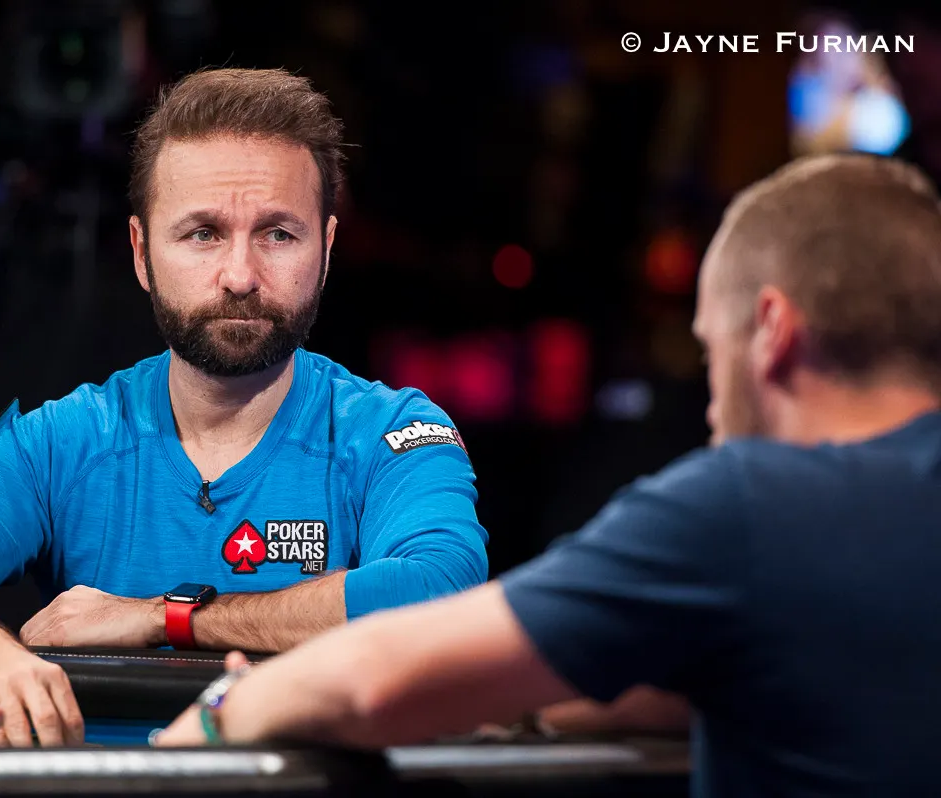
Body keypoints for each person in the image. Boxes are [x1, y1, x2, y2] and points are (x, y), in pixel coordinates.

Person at [152, 153, 941, 798]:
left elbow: (376, 681)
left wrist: (223, 712)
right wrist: (524, 702)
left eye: (713, 352)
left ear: (770, 331)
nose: (711, 406)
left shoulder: (748, 505)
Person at [0, 67, 489, 749]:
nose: (240, 276)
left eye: (278, 234)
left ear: (326, 249)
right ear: (142, 253)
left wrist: (167, 617)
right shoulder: (59, 442)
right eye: (202, 233)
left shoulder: (391, 432)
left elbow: (439, 593)